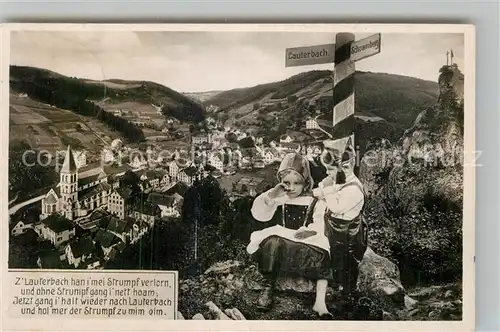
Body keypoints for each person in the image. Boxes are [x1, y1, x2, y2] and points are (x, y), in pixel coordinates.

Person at [247, 153, 333, 317]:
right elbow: (260, 214)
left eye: (297, 183)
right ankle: (268, 286)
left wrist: (311, 230)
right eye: (286, 183)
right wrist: (272, 194)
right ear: (280, 182)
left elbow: (319, 222)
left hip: (304, 241)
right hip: (284, 240)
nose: (291, 188)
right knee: (272, 242)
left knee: (323, 251)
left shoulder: (314, 201)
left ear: (306, 183)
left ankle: (320, 302)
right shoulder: (282, 199)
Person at [312, 140, 369, 307]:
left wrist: (325, 192)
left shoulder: (353, 189)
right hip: (337, 230)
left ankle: (347, 296)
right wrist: (324, 187)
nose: (327, 173)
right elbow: (327, 186)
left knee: (347, 263)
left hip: (349, 232)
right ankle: (337, 288)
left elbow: (336, 207)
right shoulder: (341, 181)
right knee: (336, 259)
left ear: (345, 167)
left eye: (330, 169)